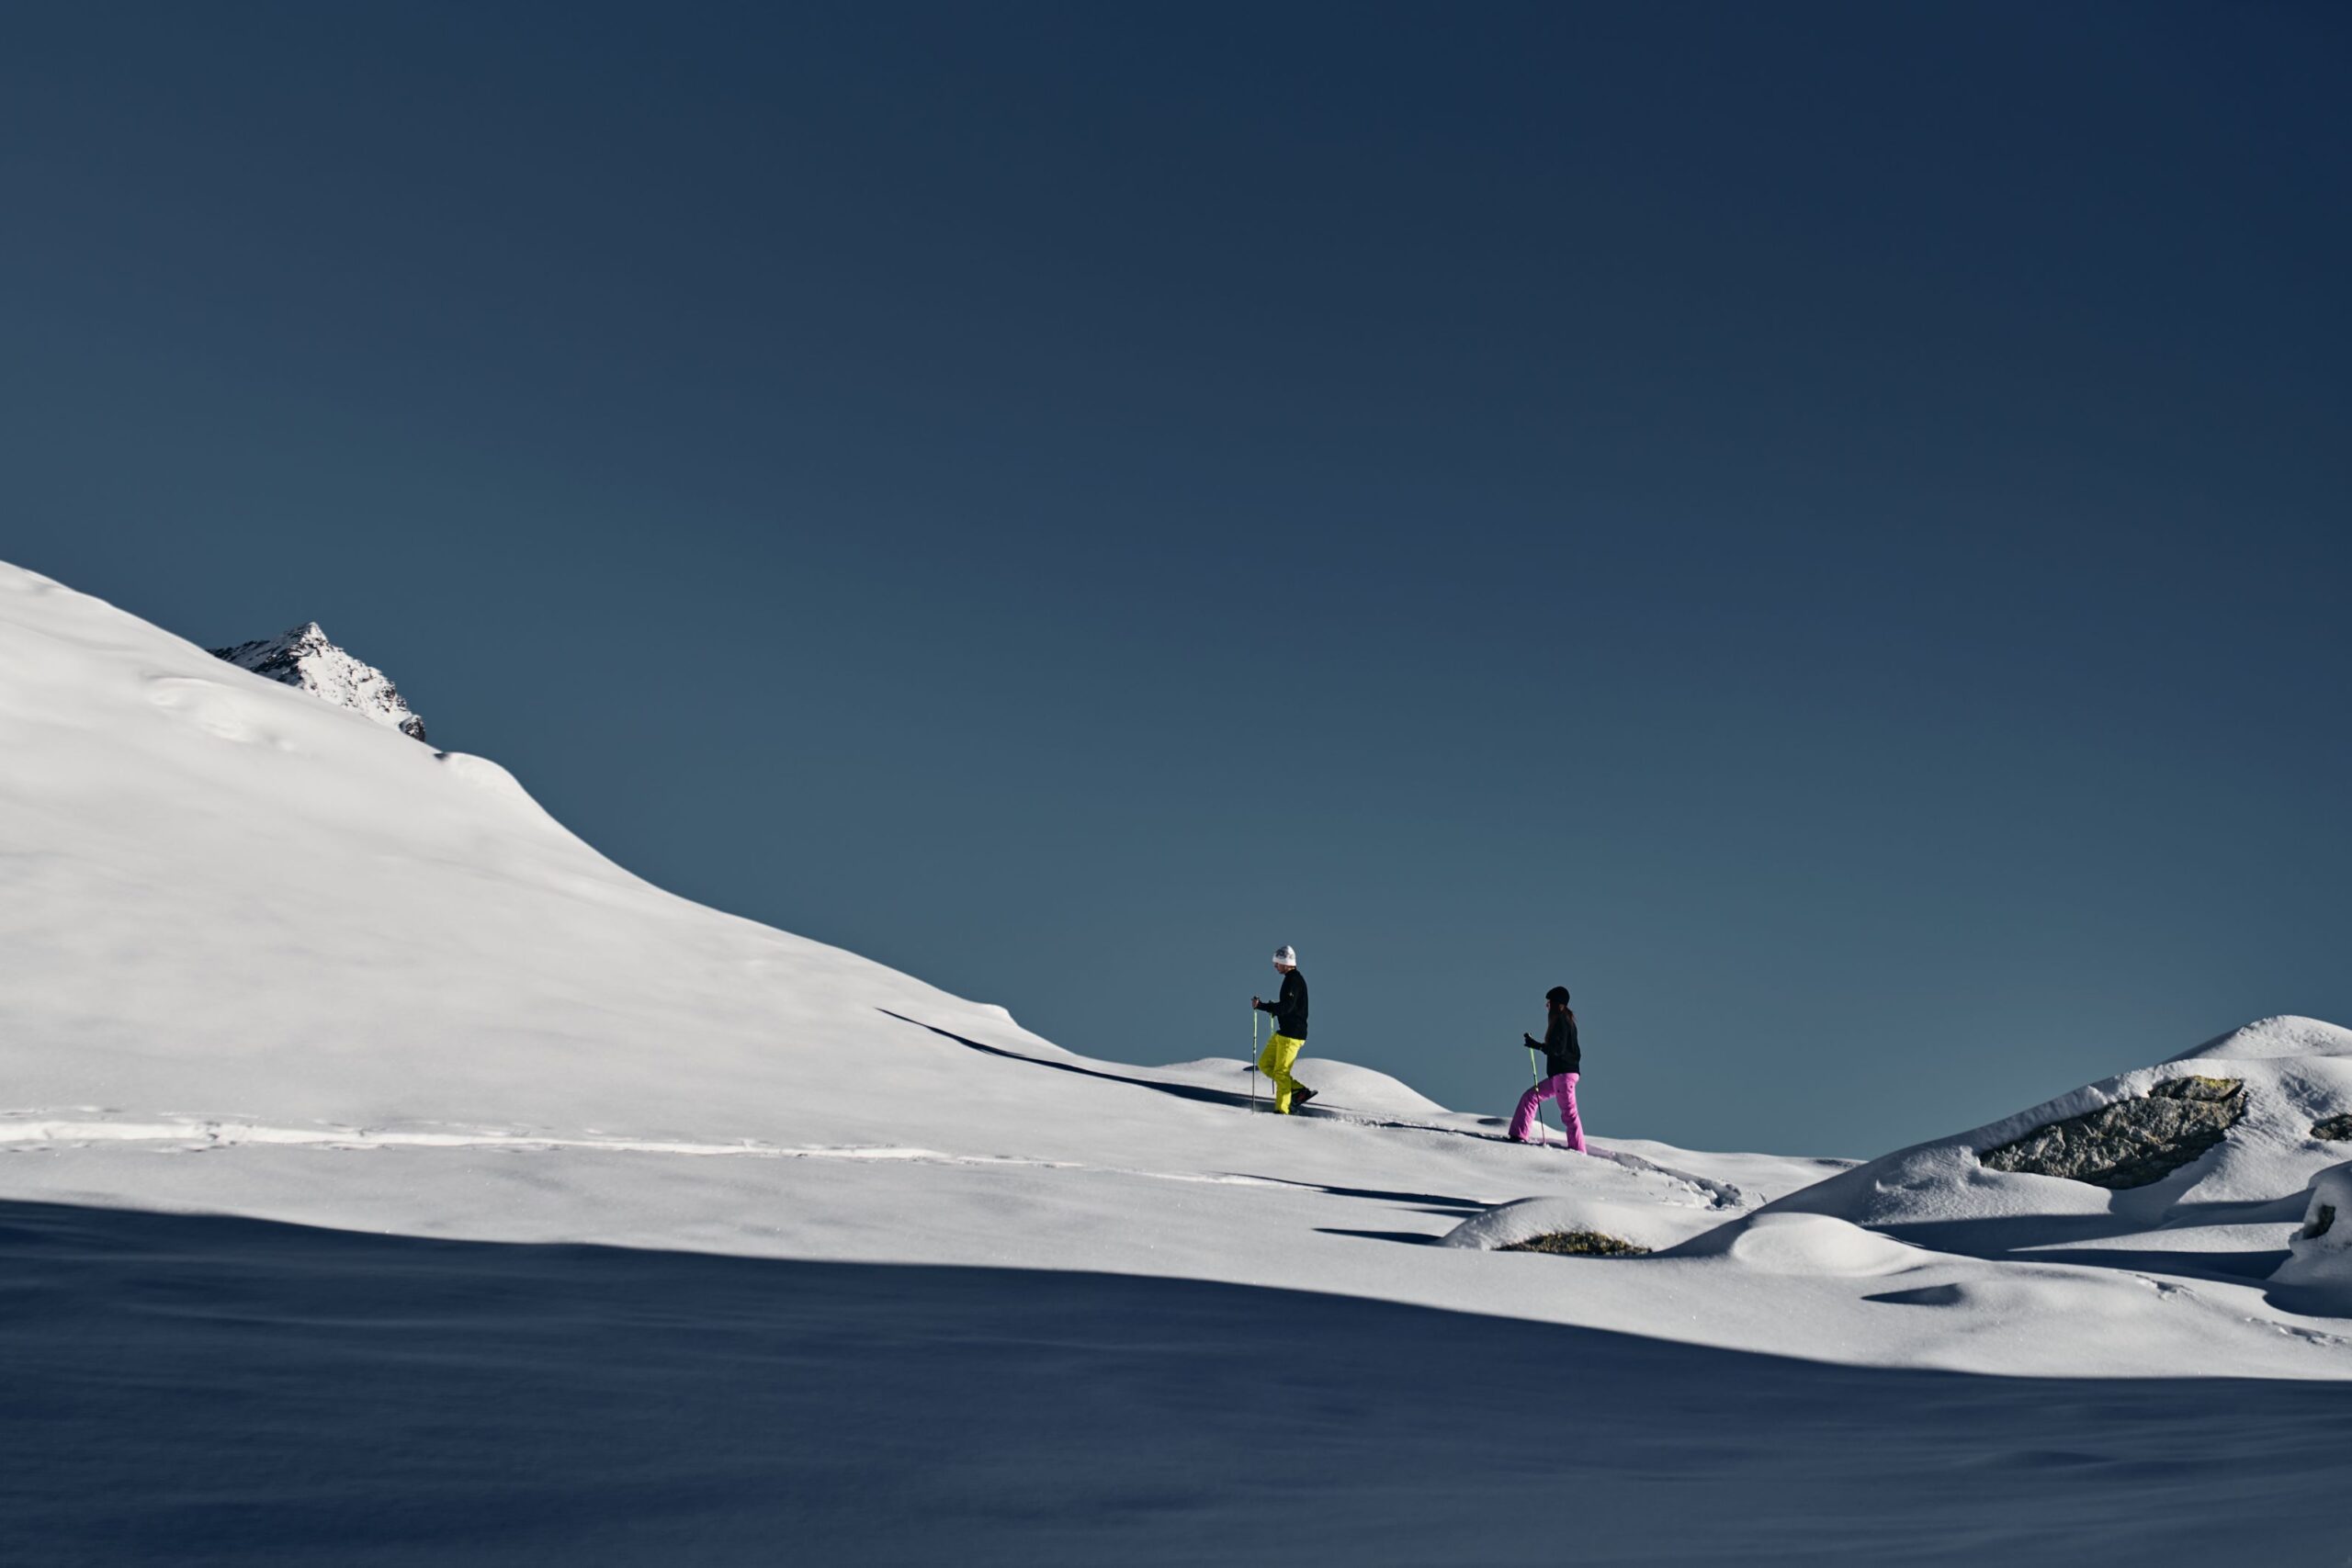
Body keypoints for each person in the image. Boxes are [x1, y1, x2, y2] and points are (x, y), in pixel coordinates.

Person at [1509, 985, 1586, 1151]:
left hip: (1564, 1076)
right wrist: (1536, 1045)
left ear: (1558, 1004)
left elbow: (1557, 1049)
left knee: (1569, 1115)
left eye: (1549, 1003)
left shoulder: (1562, 1022)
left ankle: (1579, 1152)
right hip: (1559, 1076)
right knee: (1530, 1097)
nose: (1547, 1007)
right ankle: (1518, 1134)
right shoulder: (1566, 1021)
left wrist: (1536, 1045)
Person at [1251, 944, 1317, 1114]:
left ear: (1286, 962)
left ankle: (1282, 1110)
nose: (1275, 966)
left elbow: (1287, 1006)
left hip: (1293, 1035)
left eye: (1277, 963)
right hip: (1284, 1032)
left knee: (1281, 1072)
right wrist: (1270, 1007)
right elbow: (1287, 1006)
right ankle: (1299, 1090)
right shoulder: (1289, 979)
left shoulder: (1294, 980)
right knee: (1265, 1064)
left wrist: (1266, 1007)